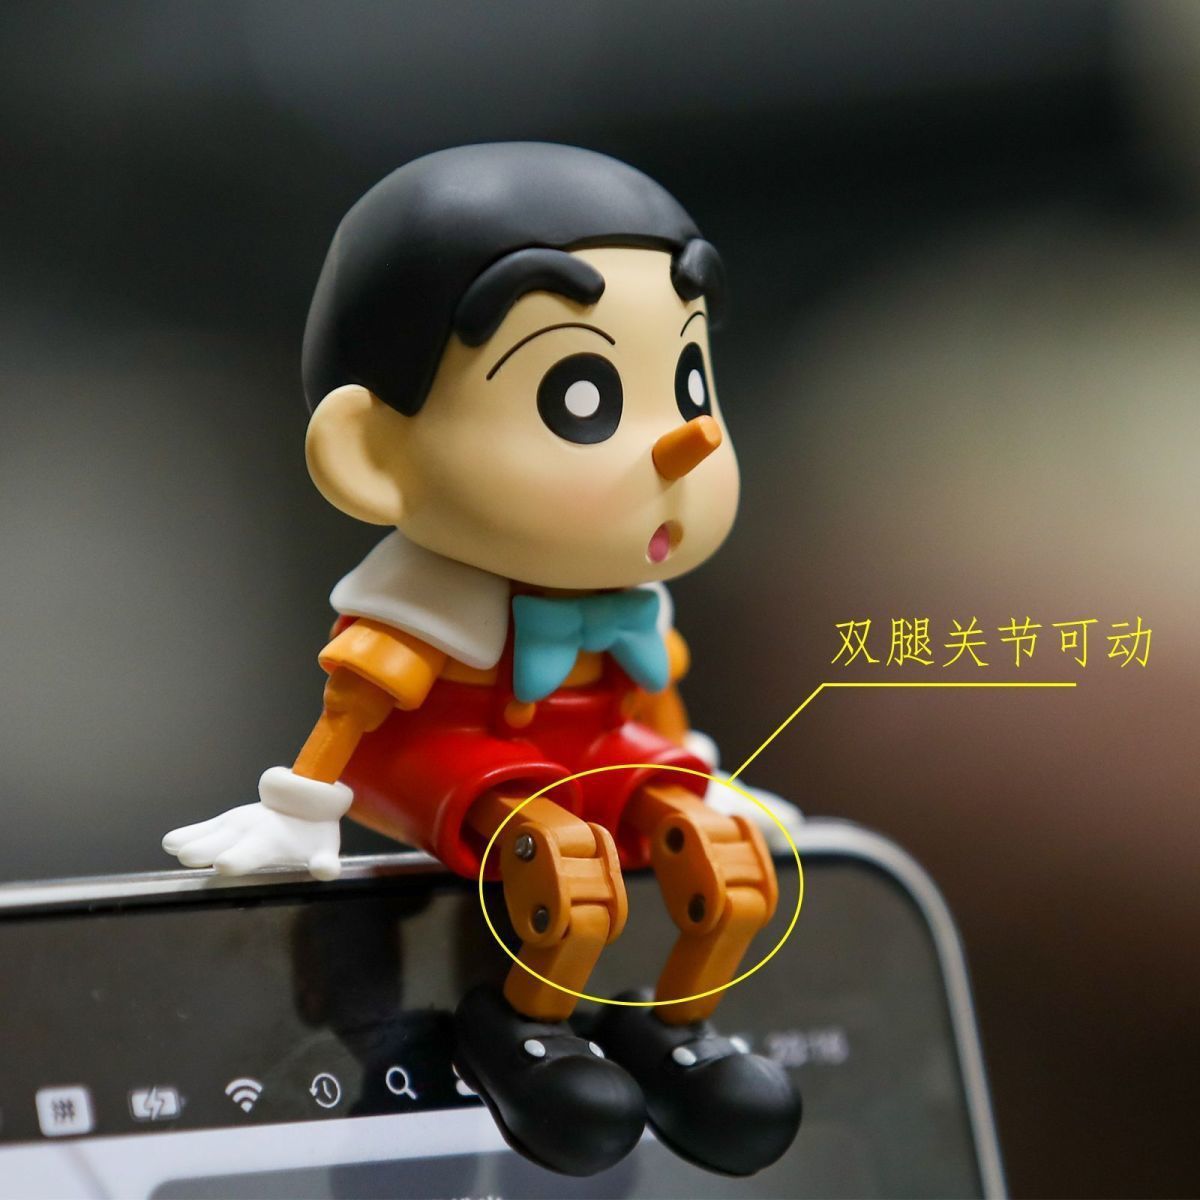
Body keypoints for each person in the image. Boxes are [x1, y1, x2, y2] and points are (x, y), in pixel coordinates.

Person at [163, 142, 800, 1177]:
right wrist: (300, 810)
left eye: (691, 382)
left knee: (725, 868)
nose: (681, 445)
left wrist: (699, 784)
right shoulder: (422, 602)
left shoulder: (629, 601)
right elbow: (361, 697)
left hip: (595, 750)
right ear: (372, 454)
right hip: (451, 757)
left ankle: (678, 1028)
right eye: (581, 399)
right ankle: (528, 1026)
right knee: (566, 869)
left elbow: (653, 696)